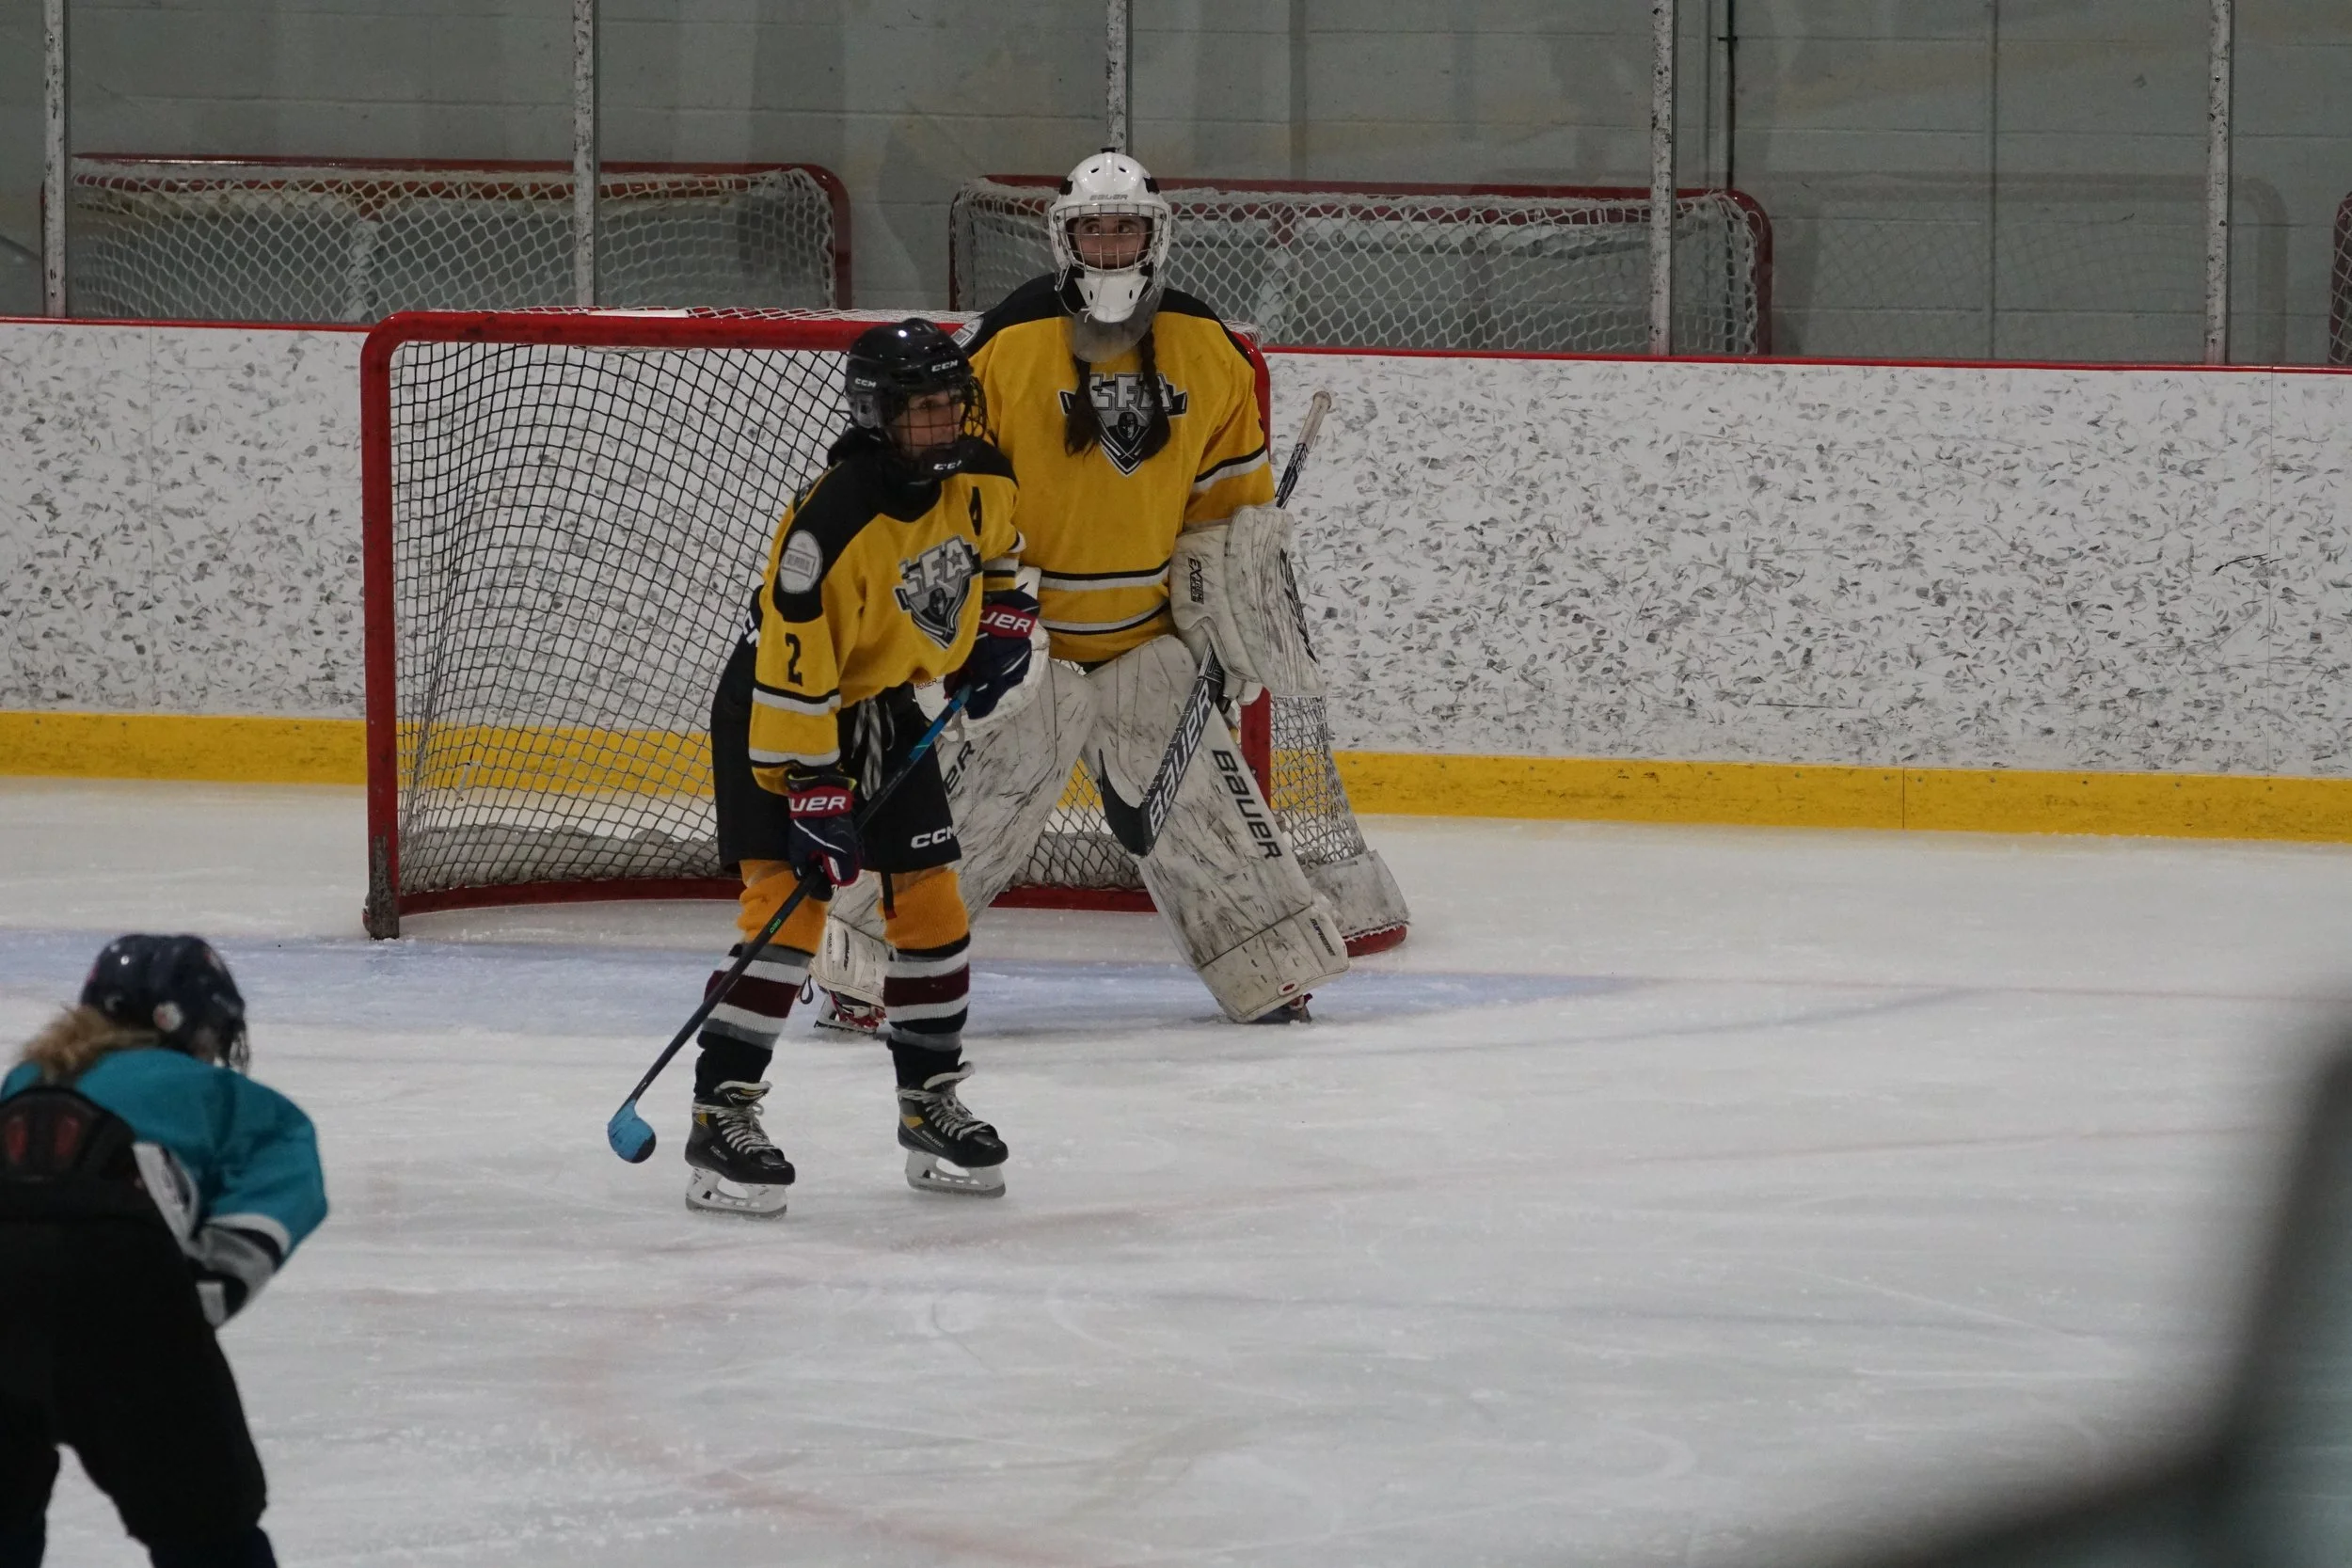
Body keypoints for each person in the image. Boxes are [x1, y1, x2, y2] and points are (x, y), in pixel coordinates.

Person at [814, 150, 1362, 1032]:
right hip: (1024, 640)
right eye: (1094, 230)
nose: (1110, 245)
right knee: (967, 813)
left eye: (1125, 229)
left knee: (1205, 804)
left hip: (1145, 637)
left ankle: (1269, 965)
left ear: (1155, 236)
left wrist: (1227, 626)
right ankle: (863, 969)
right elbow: (954, 500)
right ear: (1064, 238)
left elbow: (1229, 514)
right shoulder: (1006, 344)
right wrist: (974, 618)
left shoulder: (1207, 348)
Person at [685, 317, 1031, 1215]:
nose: (941, 423)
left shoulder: (984, 477)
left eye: (950, 404)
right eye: (921, 410)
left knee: (934, 902)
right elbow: (792, 665)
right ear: (877, 414)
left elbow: (1003, 554)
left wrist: (1000, 623)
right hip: (782, 712)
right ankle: (721, 1110)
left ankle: (929, 1101)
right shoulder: (830, 523)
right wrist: (812, 790)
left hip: (879, 706)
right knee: (790, 910)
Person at [0, 935, 326, 1568]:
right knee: (208, 1533)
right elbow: (282, 1184)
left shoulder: (24, 1079)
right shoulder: (209, 1091)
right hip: (122, 1288)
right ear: (179, 1023)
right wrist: (194, 1296)